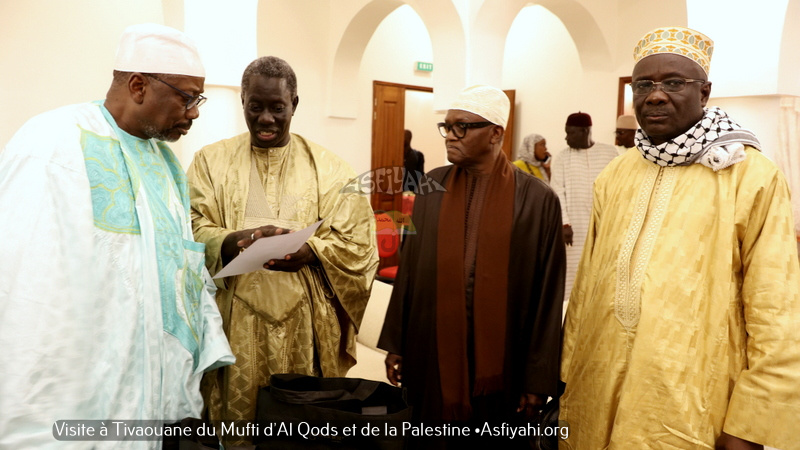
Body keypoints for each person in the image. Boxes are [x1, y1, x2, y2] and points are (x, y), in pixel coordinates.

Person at [560, 27, 800, 449]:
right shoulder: (616, 173)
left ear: (704, 93)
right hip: (597, 391)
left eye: (673, 82)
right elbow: (586, 289)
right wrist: (567, 378)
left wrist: (750, 424)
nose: (655, 95)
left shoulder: (750, 175)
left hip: (693, 403)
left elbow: (776, 313)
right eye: (643, 84)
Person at [0, 23, 234, 448]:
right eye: (187, 97)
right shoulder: (53, 143)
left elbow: (181, 267)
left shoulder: (165, 163)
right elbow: (23, 286)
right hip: (79, 388)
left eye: (198, 99)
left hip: (157, 390)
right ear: (139, 85)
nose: (195, 112)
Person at [187, 56, 378, 430]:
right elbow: (187, 226)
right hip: (232, 322)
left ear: (294, 104)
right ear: (242, 101)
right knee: (237, 426)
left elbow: (358, 245)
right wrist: (234, 240)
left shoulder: (331, 168)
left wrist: (312, 251)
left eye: (278, 108)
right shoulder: (211, 162)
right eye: (255, 107)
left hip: (306, 325)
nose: (266, 119)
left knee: (300, 427)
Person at [378, 85, 565, 447]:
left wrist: (537, 380)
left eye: (462, 127)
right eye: (446, 127)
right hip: (430, 349)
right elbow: (410, 269)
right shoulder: (432, 186)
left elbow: (548, 295)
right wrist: (396, 342)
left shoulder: (537, 199)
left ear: (496, 133)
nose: (450, 136)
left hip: (502, 362)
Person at [549, 112, 617, 309]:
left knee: (601, 268)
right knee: (574, 272)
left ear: (585, 131)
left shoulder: (609, 153)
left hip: (603, 225)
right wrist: (565, 223)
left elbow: (618, 186)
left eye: (570, 133)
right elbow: (557, 191)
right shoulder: (563, 157)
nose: (566, 137)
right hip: (574, 229)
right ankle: (570, 312)